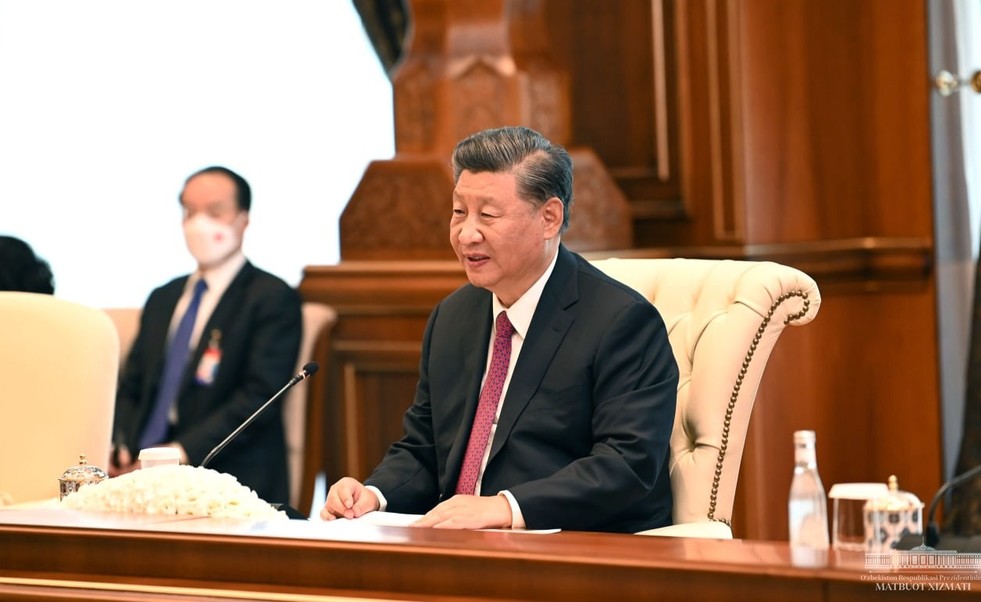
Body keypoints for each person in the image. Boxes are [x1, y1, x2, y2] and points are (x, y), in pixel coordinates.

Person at [321, 126, 678, 532]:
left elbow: (626, 465)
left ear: (549, 218)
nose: (466, 234)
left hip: (576, 545)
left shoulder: (621, 321)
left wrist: (506, 508)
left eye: (488, 215)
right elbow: (424, 449)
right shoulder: (453, 317)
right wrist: (374, 494)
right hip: (461, 544)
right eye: (459, 212)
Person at [110, 166, 302, 504]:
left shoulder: (270, 297)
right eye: (190, 211)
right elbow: (132, 385)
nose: (200, 223)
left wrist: (177, 454)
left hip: (227, 477)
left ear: (243, 219)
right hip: (140, 476)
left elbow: (259, 399)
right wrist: (122, 444)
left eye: (215, 211)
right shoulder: (163, 297)